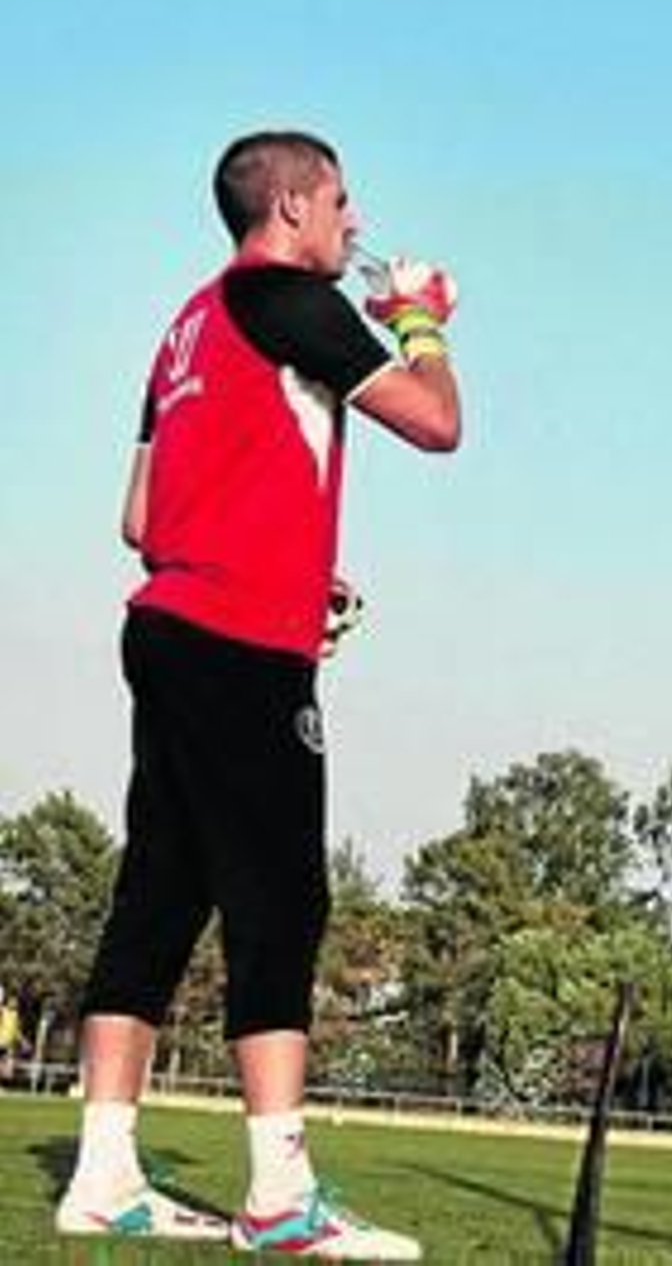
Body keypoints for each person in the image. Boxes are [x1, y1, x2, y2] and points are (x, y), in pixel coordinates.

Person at [55, 131, 462, 1258]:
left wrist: (280, 560)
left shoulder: (186, 323)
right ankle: (280, 1194)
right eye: (339, 200)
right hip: (239, 644)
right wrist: (421, 321)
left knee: (159, 895)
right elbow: (436, 422)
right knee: (281, 899)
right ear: (288, 207)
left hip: (169, 626)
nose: (352, 221)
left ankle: (103, 1175)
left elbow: (142, 518)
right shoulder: (289, 299)